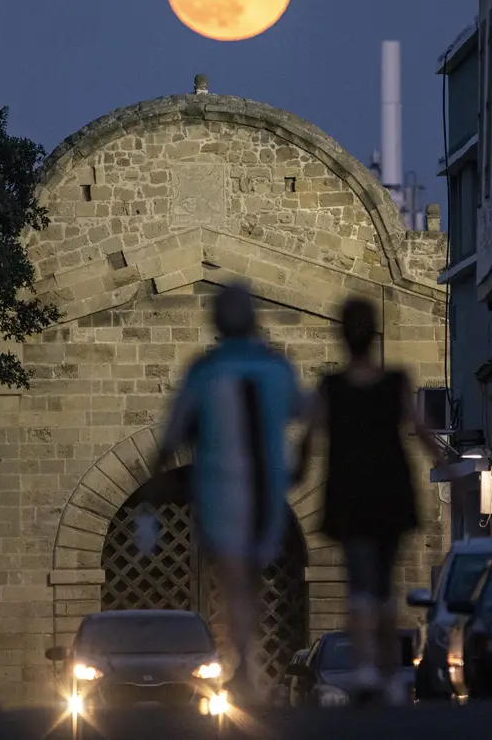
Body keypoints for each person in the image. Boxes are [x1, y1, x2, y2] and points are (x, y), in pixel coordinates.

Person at [146, 282, 305, 702]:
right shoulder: (277, 367)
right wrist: (302, 460)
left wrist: (159, 476)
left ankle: (244, 665)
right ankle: (247, 663)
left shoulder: (204, 370)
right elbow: (308, 412)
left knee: (234, 579)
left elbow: (174, 431)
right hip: (267, 488)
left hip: (219, 490)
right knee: (249, 579)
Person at [295, 296, 444, 705]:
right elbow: (420, 427)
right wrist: (445, 462)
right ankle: (385, 671)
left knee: (359, 584)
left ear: (341, 336)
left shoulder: (331, 386)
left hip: (349, 493)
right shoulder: (396, 380)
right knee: (384, 585)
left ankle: (365, 668)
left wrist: (297, 470)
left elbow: (309, 435)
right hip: (391, 492)